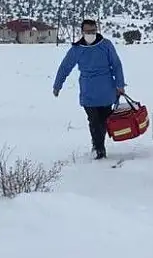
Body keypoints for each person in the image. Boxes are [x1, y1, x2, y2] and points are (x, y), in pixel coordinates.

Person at [53, 19, 126, 159]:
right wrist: (57, 85)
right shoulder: (77, 49)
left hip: (106, 90)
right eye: (88, 31)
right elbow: (65, 67)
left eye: (93, 31)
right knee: (93, 120)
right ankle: (99, 148)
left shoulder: (106, 45)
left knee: (104, 121)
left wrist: (120, 85)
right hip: (88, 91)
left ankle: (99, 145)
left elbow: (116, 65)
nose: (91, 34)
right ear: (82, 32)